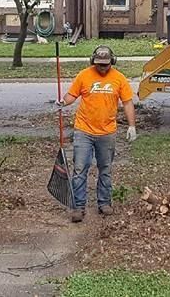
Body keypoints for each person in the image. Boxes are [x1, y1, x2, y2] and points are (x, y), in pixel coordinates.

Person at [56, 45, 137, 223]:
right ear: (93, 61)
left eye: (106, 65)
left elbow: (128, 103)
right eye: (99, 64)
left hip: (107, 132)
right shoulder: (84, 75)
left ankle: (104, 203)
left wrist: (132, 126)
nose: (102, 68)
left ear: (112, 62)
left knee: (105, 169)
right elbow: (72, 95)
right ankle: (78, 206)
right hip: (83, 130)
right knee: (80, 168)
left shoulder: (119, 78)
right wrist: (63, 102)